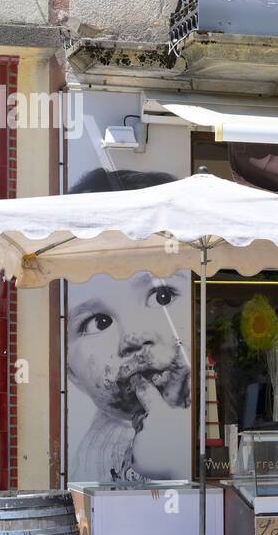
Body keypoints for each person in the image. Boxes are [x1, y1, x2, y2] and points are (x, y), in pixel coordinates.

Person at [66, 168, 191, 482]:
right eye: (99, 322)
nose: (133, 339)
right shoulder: (90, 462)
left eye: (162, 296)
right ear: (71, 373)